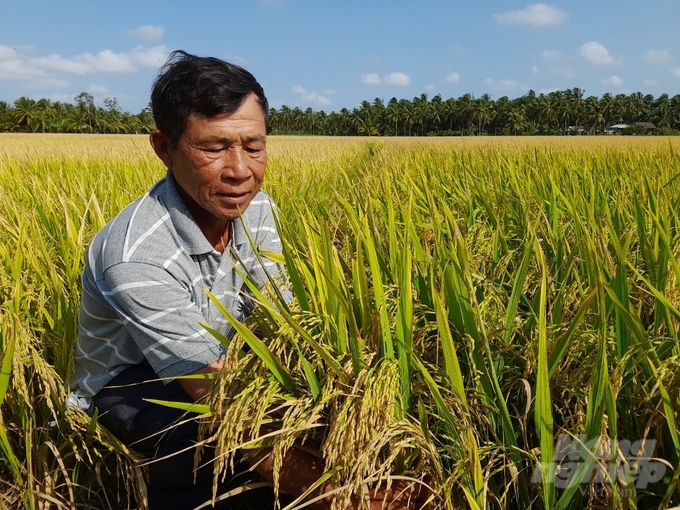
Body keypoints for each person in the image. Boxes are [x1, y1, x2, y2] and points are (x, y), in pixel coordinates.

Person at [68, 50, 428, 510]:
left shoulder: (257, 208)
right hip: (132, 378)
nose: (240, 171)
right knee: (193, 447)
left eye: (253, 146)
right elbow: (212, 393)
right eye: (214, 147)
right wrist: (333, 492)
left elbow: (279, 312)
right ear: (163, 147)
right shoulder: (136, 257)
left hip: (228, 354)